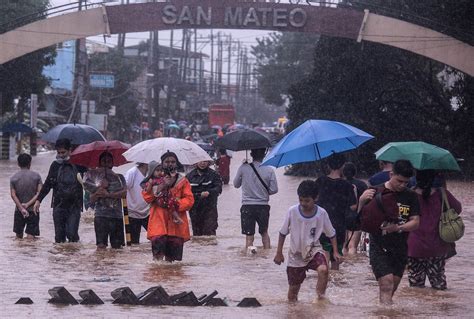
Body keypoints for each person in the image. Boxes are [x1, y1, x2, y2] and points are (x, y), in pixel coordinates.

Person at [358, 159, 420, 304]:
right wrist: (361, 201)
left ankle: (382, 311)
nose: (402, 185)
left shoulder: (411, 196)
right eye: (399, 181)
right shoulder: (374, 191)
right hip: (378, 245)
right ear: (391, 174)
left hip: (400, 247)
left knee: (392, 286)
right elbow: (358, 220)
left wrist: (398, 228)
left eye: (406, 182)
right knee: (387, 283)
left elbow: (416, 222)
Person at [274, 180, 341, 302]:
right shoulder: (292, 211)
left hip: (314, 250)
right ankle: (294, 312)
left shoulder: (322, 213)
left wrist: (335, 252)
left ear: (316, 198)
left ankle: (320, 300)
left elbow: (332, 234)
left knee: (323, 270)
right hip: (296, 254)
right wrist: (279, 253)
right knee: (293, 294)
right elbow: (282, 233)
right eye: (301, 200)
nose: (303, 203)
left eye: (307, 200)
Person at [407, 169, 462, 290]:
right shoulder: (442, 194)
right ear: (434, 178)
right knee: (439, 286)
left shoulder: (409, 194)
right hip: (437, 247)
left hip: (414, 247)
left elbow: (400, 216)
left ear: (416, 178)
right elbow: (458, 209)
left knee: (415, 287)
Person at [142, 152, 194, 262]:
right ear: (162, 163)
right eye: (167, 162)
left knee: (173, 263)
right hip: (158, 223)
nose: (170, 164)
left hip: (177, 227)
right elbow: (147, 198)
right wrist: (163, 185)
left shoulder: (183, 181)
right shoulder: (153, 179)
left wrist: (174, 203)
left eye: (173, 162)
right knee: (158, 262)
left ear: (177, 163)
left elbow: (189, 200)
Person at [34, 138, 84, 243]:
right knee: (59, 237)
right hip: (58, 205)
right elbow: (48, 184)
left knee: (72, 234)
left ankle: (73, 257)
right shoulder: (55, 165)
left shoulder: (79, 164)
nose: (61, 155)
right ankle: (59, 257)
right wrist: (39, 200)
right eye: (58, 152)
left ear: (70, 150)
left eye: (63, 152)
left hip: (74, 206)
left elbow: (88, 182)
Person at [315, 153, 357, 270]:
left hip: (321, 224)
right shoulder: (347, 185)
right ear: (343, 166)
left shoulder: (320, 181)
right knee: (336, 257)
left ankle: (324, 279)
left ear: (328, 165)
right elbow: (353, 206)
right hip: (339, 225)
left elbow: (314, 201)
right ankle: (334, 281)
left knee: (324, 253)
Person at [234, 148, 278, 250]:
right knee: (264, 233)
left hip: (247, 206)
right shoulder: (269, 169)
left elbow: (236, 184)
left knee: (249, 236)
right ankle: (267, 256)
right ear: (264, 155)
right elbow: (274, 189)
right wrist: (263, 193)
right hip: (263, 206)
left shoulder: (243, 167)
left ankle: (249, 261)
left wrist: (243, 168)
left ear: (251, 154)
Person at [83, 152, 127, 249]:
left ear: (112, 163)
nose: (106, 164)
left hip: (117, 216)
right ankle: (102, 264)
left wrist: (109, 194)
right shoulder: (94, 179)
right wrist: (99, 189)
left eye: (108, 162)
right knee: (101, 247)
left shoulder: (120, 177)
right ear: (99, 164)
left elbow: (124, 193)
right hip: (101, 217)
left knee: (117, 248)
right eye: (103, 161)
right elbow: (91, 200)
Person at [10, 153, 43, 239]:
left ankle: (18, 252)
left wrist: (21, 208)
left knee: (18, 237)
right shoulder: (36, 176)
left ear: (18, 164)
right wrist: (28, 204)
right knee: (31, 238)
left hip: (19, 211)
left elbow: (13, 195)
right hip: (33, 210)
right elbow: (39, 193)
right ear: (30, 163)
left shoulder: (14, 178)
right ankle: (29, 252)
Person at [186, 160, 223, 236]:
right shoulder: (189, 176)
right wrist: (198, 195)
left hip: (210, 208)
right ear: (196, 162)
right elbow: (186, 193)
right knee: (197, 235)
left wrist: (209, 192)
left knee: (209, 233)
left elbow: (219, 189)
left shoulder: (214, 174)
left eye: (205, 161)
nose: (203, 163)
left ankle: (210, 248)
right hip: (195, 209)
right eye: (200, 161)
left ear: (209, 163)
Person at [342, 162, 368, 255]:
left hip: (342, 218)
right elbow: (367, 201)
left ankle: (344, 267)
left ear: (343, 172)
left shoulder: (340, 183)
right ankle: (353, 266)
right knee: (352, 246)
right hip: (357, 217)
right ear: (355, 172)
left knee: (343, 245)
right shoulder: (362, 184)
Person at [124, 162, 150, 244]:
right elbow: (124, 187)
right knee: (134, 243)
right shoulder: (131, 172)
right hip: (133, 212)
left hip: (149, 212)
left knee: (157, 239)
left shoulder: (152, 173)